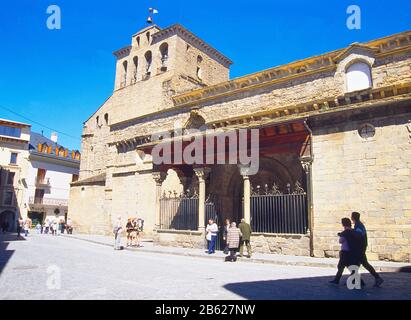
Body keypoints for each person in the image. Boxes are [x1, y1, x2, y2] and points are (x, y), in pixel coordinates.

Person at [351, 212, 384, 287]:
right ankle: (356, 280)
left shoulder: (358, 225)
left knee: (363, 264)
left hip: (360, 249)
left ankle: (377, 278)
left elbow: (358, 236)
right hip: (360, 248)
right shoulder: (358, 224)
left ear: (352, 217)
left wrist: (351, 233)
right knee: (356, 264)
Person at [329, 218, 362, 285]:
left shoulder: (345, 232)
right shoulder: (353, 231)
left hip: (345, 252)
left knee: (341, 266)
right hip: (352, 252)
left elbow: (341, 241)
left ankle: (337, 280)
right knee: (351, 267)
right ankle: (359, 281)